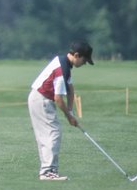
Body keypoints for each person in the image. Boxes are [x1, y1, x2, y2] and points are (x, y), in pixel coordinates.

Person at [27, 41, 93, 181]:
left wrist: (70, 110)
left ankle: (48, 170)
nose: (85, 63)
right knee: (53, 133)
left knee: (48, 134)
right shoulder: (62, 68)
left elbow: (70, 89)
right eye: (84, 60)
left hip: (39, 99)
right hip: (41, 99)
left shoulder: (65, 64)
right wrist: (69, 116)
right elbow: (58, 98)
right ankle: (48, 172)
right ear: (76, 55)